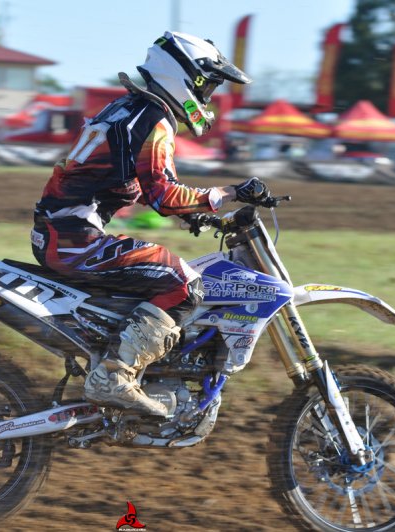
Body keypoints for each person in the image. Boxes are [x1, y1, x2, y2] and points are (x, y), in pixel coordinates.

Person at [32, 31, 269, 416]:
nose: (208, 96)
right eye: (207, 85)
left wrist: (191, 213)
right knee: (185, 283)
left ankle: (133, 366)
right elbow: (163, 195)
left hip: (60, 233)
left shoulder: (127, 108)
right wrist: (231, 192)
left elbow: (125, 181)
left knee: (161, 273)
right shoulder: (154, 120)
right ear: (185, 76)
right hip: (74, 241)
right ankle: (114, 376)